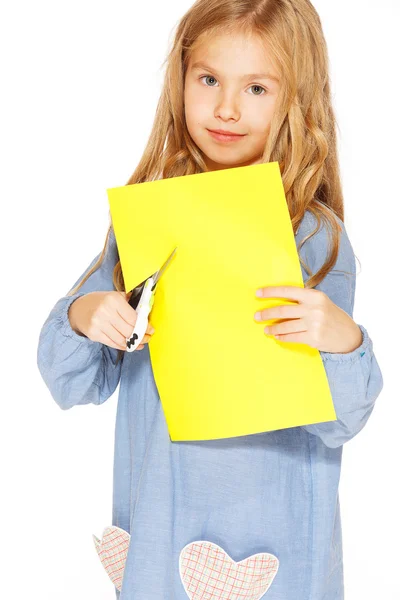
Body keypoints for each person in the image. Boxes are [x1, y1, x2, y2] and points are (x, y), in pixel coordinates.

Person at [36, 1, 384, 598]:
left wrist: (342, 339)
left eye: (256, 87)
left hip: (277, 540)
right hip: (161, 530)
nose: (226, 108)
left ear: (296, 98)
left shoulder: (312, 235)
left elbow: (342, 420)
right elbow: (72, 381)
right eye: (209, 80)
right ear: (181, 81)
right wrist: (85, 315)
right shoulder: (151, 217)